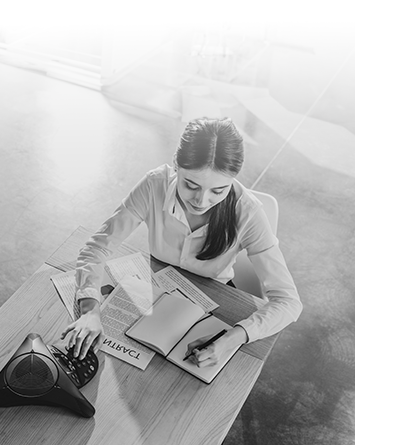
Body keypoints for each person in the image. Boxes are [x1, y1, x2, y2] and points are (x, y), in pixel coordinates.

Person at [61, 117, 302, 368]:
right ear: (176, 166)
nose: (201, 200)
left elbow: (288, 301)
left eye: (218, 191)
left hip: (213, 299)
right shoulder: (154, 185)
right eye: (191, 185)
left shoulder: (248, 212)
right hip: (155, 287)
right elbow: (98, 247)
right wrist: (90, 310)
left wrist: (235, 337)